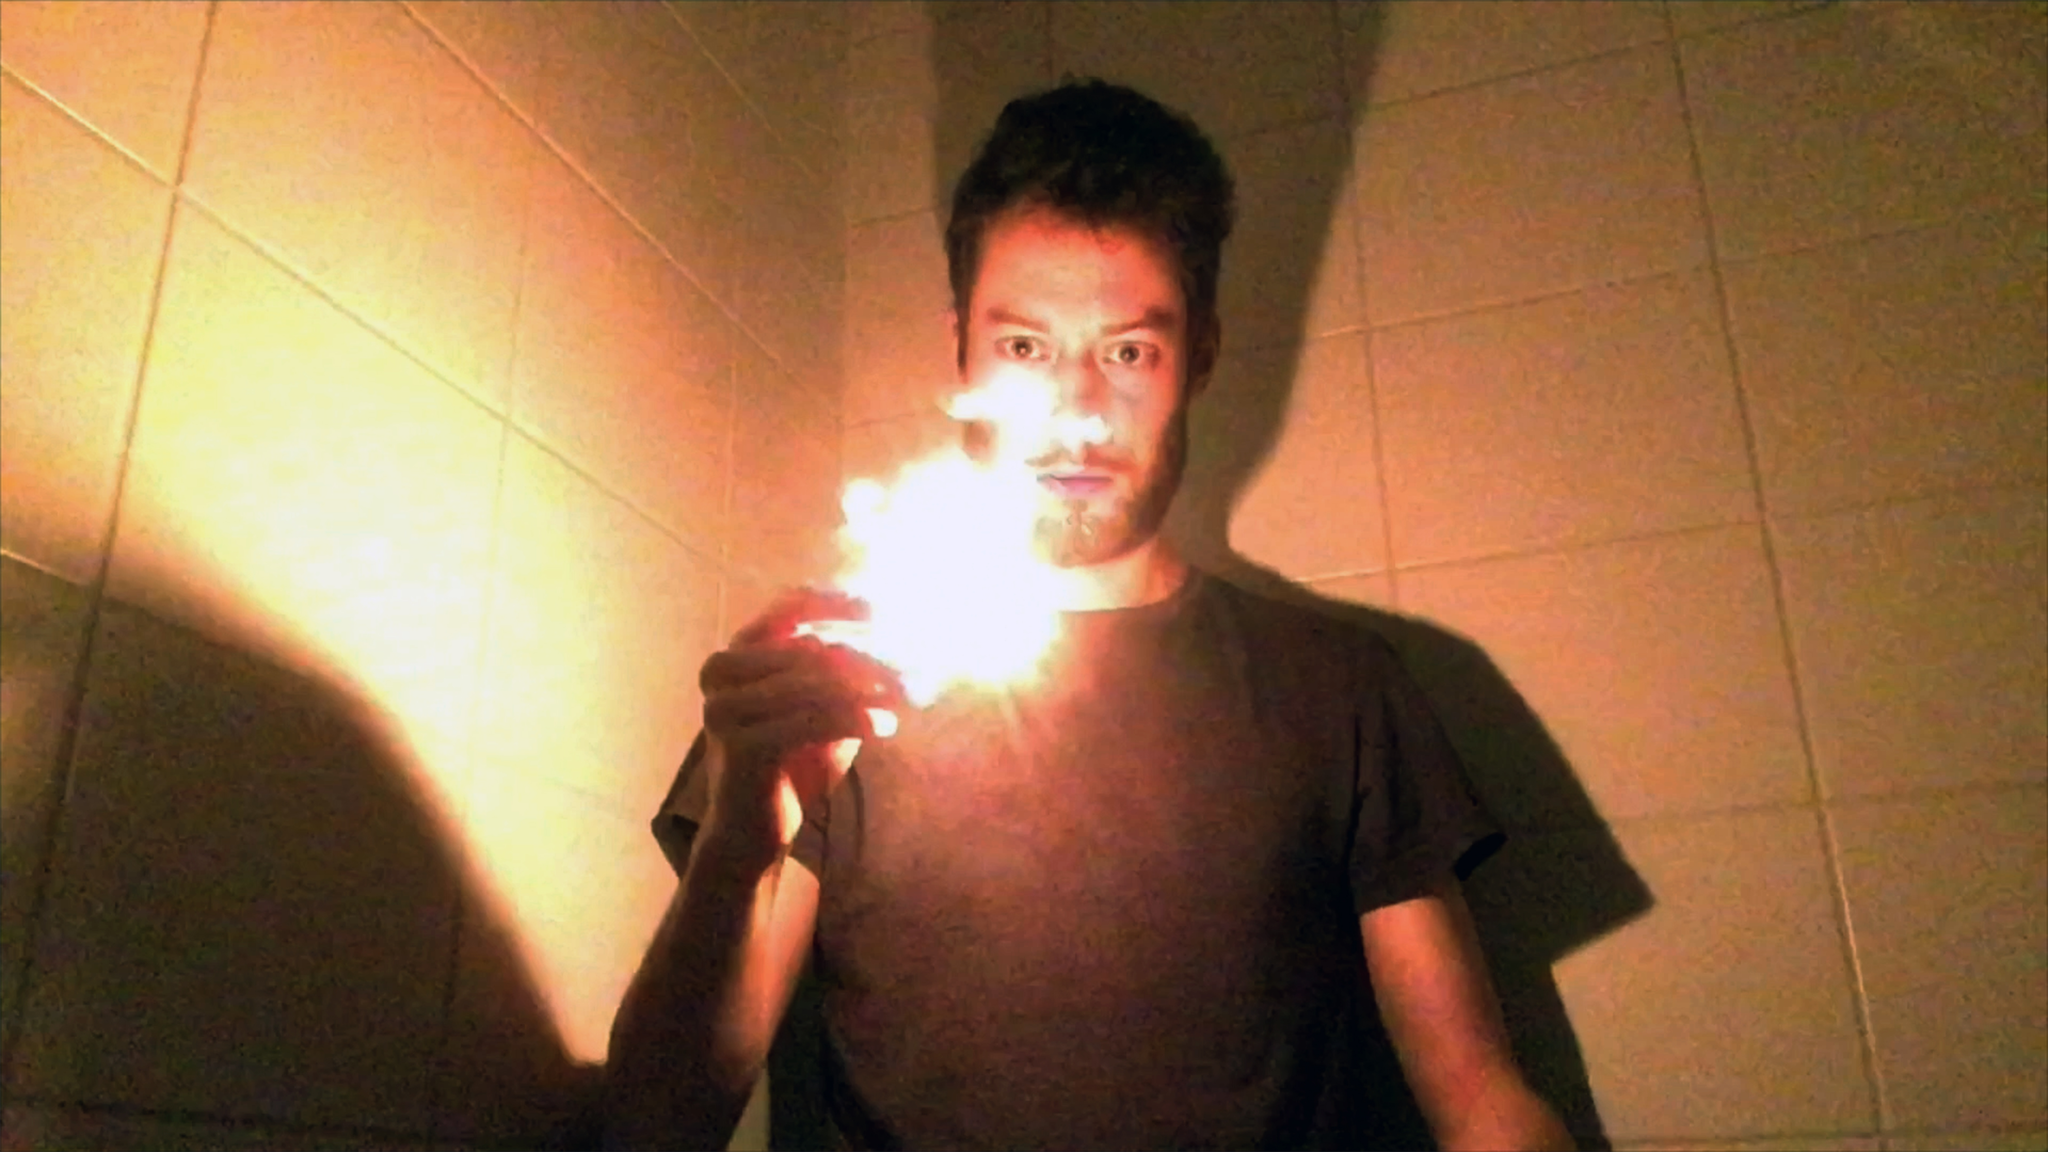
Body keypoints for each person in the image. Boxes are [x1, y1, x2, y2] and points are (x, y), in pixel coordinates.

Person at [606, 79, 1575, 1152]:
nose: (1074, 413)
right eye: (1025, 348)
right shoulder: (831, 676)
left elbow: (1480, 1102)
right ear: (961, 350)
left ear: (1199, 354)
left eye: (1126, 351)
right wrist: (738, 846)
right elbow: (659, 1124)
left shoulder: (1340, 687)